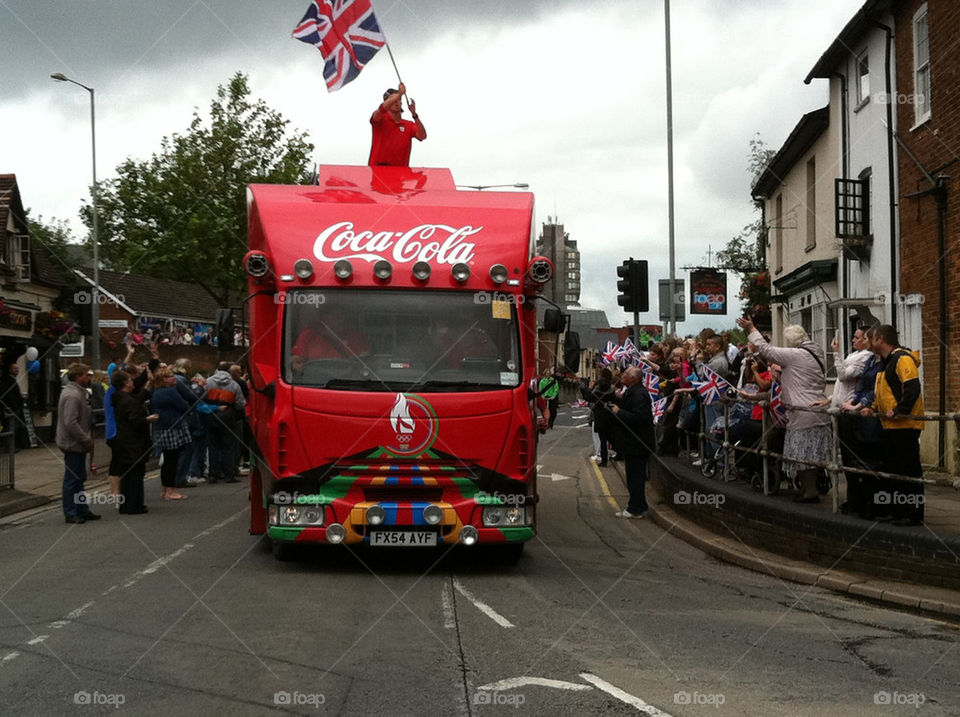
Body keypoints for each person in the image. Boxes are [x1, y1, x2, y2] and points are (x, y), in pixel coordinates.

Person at [738, 317, 830, 503]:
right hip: (816, 410)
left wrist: (751, 328)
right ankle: (807, 489)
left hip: (801, 412)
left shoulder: (797, 354)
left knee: (801, 455)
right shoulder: (817, 351)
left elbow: (767, 351)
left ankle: (809, 492)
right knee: (809, 455)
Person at [862, 324, 925, 526]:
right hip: (891, 425)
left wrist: (899, 410)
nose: (869, 342)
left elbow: (913, 387)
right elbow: (884, 390)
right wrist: (872, 407)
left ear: (881, 339)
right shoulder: (887, 362)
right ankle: (898, 511)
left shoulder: (902, 358)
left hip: (905, 425)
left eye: (871, 338)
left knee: (909, 471)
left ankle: (913, 514)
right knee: (896, 471)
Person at [56, 364, 99, 524]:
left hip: (77, 442)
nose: (89, 377)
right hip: (73, 443)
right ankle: (71, 511)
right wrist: (85, 438)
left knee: (79, 478)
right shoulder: (73, 395)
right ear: (78, 376)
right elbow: (70, 422)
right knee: (72, 479)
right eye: (86, 375)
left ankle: (82, 509)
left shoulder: (78, 393)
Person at [610, 366, 655, 518]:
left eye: (626, 374)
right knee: (633, 476)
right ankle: (639, 505)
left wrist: (619, 412)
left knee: (636, 476)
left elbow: (639, 418)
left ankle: (636, 509)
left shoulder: (639, 394)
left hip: (638, 443)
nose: (623, 375)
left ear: (633, 379)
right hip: (632, 443)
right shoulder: (632, 391)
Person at [111, 369, 155, 514]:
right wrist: (148, 419)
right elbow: (135, 420)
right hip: (133, 442)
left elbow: (138, 398)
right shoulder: (127, 400)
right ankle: (134, 505)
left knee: (126, 474)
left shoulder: (119, 397)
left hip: (123, 441)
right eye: (130, 380)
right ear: (125, 383)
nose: (132, 382)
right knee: (136, 474)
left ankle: (126, 505)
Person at [151, 367, 192, 501]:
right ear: (163, 380)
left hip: (162, 427)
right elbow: (184, 406)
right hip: (173, 426)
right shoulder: (170, 392)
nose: (173, 378)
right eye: (169, 376)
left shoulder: (157, 392)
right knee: (172, 460)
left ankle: (165, 490)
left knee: (168, 460)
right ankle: (170, 490)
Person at [202, 362, 246, 484]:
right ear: (228, 370)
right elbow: (241, 403)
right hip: (228, 417)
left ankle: (213, 474)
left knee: (213, 446)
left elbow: (201, 398)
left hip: (211, 416)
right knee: (228, 447)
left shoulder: (208, 382)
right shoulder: (234, 385)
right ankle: (229, 474)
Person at [368, 82, 427, 167]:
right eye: (393, 99)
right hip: (378, 170)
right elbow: (381, 110)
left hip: (400, 173)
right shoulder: (380, 119)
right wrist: (399, 94)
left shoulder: (408, 125)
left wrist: (415, 115)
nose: (396, 102)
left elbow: (422, 136)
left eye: (399, 99)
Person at [588, 368, 616, 466]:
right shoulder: (611, 389)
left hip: (599, 416)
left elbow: (590, 399)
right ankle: (619, 452)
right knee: (611, 437)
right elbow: (615, 401)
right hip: (609, 415)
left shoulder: (597, 388)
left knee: (602, 439)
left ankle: (604, 460)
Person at [0, 361, 29, 450]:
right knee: (11, 427)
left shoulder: (12, 380)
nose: (17, 370)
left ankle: (11, 446)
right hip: (12, 408)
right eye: (14, 368)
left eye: (17, 368)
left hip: (14, 407)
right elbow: (10, 395)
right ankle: (9, 447)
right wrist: (14, 406)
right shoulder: (9, 380)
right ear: (10, 370)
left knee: (13, 427)